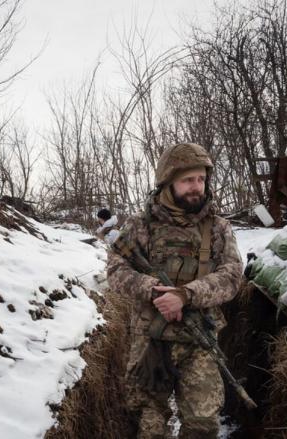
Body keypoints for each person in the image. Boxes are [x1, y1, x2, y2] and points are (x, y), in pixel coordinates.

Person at [106, 143, 243, 438]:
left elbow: (232, 276)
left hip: (199, 340)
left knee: (203, 424)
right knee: (147, 422)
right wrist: (153, 290)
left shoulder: (218, 228)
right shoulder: (140, 226)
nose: (197, 187)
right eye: (187, 180)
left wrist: (185, 295)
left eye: (201, 179)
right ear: (168, 183)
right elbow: (116, 273)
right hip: (150, 338)